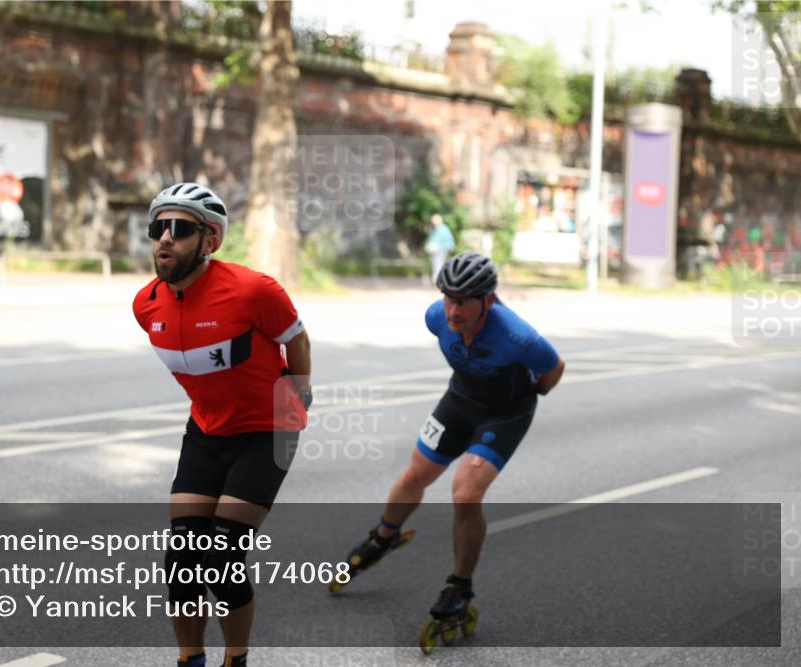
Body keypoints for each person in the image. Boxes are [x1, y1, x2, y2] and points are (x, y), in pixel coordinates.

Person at [132, 183, 312, 667]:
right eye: (157, 227)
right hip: (206, 432)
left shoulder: (254, 291)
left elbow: (297, 341)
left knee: (222, 559)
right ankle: (190, 659)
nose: (164, 238)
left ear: (210, 240)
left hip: (266, 432)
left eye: (179, 229)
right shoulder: (146, 304)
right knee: (182, 559)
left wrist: (298, 397)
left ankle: (237, 659)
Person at [342, 252, 564, 625]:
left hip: (505, 414)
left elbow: (553, 369)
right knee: (416, 474)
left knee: (465, 493)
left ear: (488, 301)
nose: (453, 310)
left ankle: (460, 586)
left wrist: (532, 393)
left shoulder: (518, 336)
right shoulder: (435, 317)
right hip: (460, 401)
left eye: (463, 301)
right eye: (449, 298)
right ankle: (384, 536)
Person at [425, 214, 456, 282]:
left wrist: (448, 248)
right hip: (435, 250)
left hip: (441, 249)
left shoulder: (443, 229)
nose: (433, 222)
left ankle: (439, 277)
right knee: (435, 263)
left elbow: (448, 240)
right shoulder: (435, 229)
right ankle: (436, 277)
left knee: (439, 263)